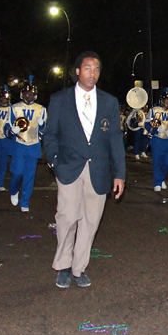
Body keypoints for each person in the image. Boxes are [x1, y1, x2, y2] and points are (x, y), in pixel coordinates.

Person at [43, 51, 126, 288]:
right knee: (67, 217)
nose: (93, 73)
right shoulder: (60, 99)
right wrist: (54, 161)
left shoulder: (109, 102)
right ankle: (63, 265)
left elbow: (115, 138)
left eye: (97, 69)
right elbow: (50, 135)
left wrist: (119, 174)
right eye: (88, 68)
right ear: (77, 71)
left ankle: (79, 268)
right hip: (69, 167)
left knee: (90, 221)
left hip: (98, 170)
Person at [7, 77, 47, 212]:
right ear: (22, 94)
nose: (29, 96)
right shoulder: (14, 108)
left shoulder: (41, 109)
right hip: (19, 144)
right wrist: (12, 130)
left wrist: (42, 127)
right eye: (26, 93)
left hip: (33, 145)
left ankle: (25, 202)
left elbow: (45, 130)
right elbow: (6, 130)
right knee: (17, 173)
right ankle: (13, 190)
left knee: (30, 176)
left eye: (31, 93)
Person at [147, 89, 168, 192]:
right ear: (162, 100)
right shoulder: (153, 110)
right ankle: (157, 182)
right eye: (166, 100)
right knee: (157, 162)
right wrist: (155, 129)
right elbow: (147, 124)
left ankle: (161, 178)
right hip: (158, 139)